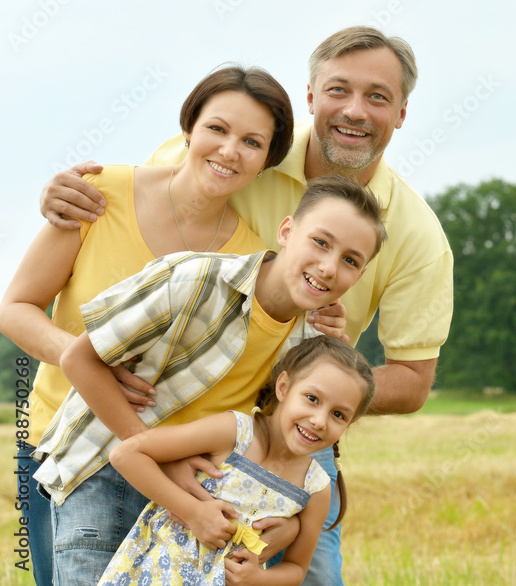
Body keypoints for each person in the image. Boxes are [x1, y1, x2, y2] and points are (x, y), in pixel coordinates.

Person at [39, 25, 454, 585]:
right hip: (145, 414)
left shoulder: (417, 234)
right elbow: (143, 207)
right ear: (310, 96)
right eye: (339, 90)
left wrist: (324, 387)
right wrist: (73, 196)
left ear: (402, 112)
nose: (355, 110)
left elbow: (413, 378)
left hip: (281, 429)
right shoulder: (243, 153)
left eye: (378, 96)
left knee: (303, 574)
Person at [0, 63, 298, 586]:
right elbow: (16, 308)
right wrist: (90, 360)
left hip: (167, 469)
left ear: (267, 160)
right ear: (188, 128)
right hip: (62, 443)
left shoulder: (252, 259)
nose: (229, 150)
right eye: (217, 129)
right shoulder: (100, 193)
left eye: (252, 142)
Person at [33, 175, 387, 585]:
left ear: (359, 276)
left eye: (350, 260)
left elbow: (270, 449)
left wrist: (291, 526)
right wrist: (165, 464)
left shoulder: (310, 348)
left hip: (196, 506)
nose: (328, 267)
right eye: (320, 243)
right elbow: (78, 359)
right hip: (105, 469)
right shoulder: (197, 278)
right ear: (287, 231)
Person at [98, 336, 376, 585]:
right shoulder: (235, 433)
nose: (319, 421)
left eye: (339, 415)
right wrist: (192, 512)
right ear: (283, 387)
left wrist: (259, 578)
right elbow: (127, 454)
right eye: (312, 398)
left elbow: (296, 568)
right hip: (152, 574)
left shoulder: (315, 487)